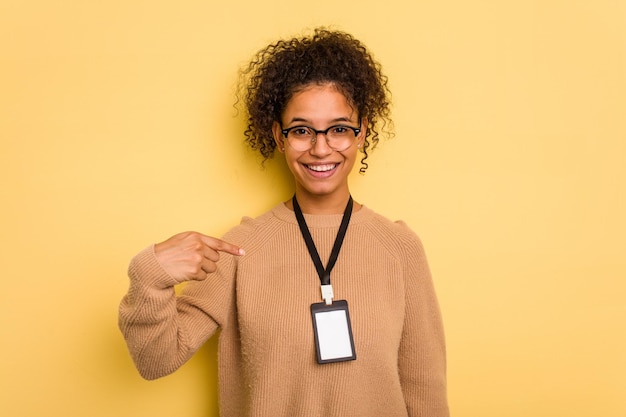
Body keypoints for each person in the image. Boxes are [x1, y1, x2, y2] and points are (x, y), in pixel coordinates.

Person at [119, 28, 449, 417]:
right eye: (302, 130)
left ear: (361, 133)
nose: (321, 147)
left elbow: (425, 392)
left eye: (339, 128)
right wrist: (150, 275)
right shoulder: (241, 248)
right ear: (278, 136)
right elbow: (155, 362)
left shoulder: (399, 247)